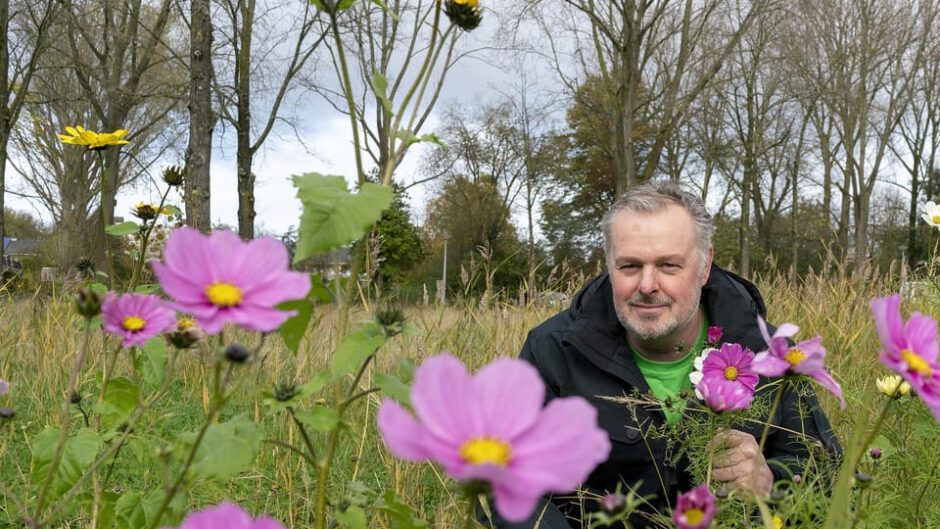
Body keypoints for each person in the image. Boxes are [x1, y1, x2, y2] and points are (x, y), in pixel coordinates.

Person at [489, 182, 842, 528]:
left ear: (704, 267)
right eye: (629, 266)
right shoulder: (552, 351)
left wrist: (769, 482)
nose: (646, 286)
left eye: (669, 266)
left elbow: (828, 475)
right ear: (610, 264)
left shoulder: (766, 354)